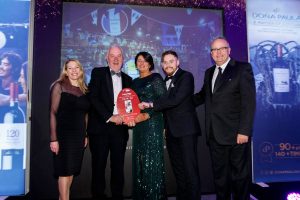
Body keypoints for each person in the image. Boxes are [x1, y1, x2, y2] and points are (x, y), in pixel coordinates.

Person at [194, 37, 256, 200]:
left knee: (239, 177)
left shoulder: (242, 69)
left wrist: (244, 131)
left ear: (229, 50)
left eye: (222, 49)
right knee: (220, 178)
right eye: (214, 50)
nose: (218, 53)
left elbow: (248, 103)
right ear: (211, 53)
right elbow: (202, 96)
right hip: (214, 134)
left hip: (236, 135)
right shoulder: (209, 72)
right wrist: (180, 102)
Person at [139, 50, 201, 200]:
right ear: (161, 65)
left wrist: (150, 103)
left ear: (178, 62)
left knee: (190, 171)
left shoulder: (186, 76)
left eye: (171, 61)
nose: (168, 65)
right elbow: (167, 108)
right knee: (178, 171)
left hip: (186, 131)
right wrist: (165, 127)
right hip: (172, 132)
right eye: (165, 62)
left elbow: (175, 100)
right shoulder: (164, 81)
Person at [87, 45, 132, 200]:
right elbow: (93, 97)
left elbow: (129, 105)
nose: (115, 58)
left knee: (118, 167)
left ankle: (117, 196)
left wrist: (130, 115)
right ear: (107, 57)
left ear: (123, 59)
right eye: (112, 55)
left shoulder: (128, 79)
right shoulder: (98, 73)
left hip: (119, 130)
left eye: (119, 55)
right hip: (100, 128)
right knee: (98, 167)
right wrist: (110, 116)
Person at [126, 52, 167, 200]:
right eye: (138, 61)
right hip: (138, 125)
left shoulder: (156, 78)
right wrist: (129, 116)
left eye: (145, 61)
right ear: (136, 64)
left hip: (152, 122)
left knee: (152, 161)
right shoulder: (134, 82)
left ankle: (155, 196)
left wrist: (148, 114)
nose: (141, 63)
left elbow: (163, 102)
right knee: (141, 161)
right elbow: (130, 104)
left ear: (150, 63)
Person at [49, 59, 90, 200]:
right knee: (64, 172)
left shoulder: (84, 89)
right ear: (65, 71)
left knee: (71, 172)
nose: (74, 71)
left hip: (78, 137)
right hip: (63, 136)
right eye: (70, 68)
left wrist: (85, 135)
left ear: (81, 70)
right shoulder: (59, 86)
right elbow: (52, 113)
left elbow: (85, 114)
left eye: (76, 67)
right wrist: (54, 139)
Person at [0, 51, 27, 121]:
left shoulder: (21, 88)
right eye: (1, 64)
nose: (1, 67)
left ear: (15, 69)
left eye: (5, 64)